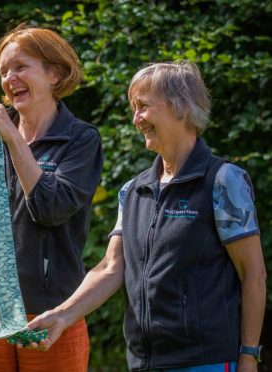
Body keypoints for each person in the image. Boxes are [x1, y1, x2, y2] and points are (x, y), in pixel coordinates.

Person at [23, 61, 267, 371]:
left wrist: (248, 355)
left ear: (181, 107)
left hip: (206, 361)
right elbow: (110, 268)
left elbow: (254, 275)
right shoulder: (133, 190)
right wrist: (62, 314)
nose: (136, 119)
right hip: (143, 362)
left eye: (143, 107)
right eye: (133, 108)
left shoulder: (223, 180)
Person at [0, 24, 103, 371]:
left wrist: (13, 139)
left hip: (52, 310)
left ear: (55, 74)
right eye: (4, 71)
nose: (9, 78)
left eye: (20, 67)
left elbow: (51, 207)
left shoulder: (80, 140)